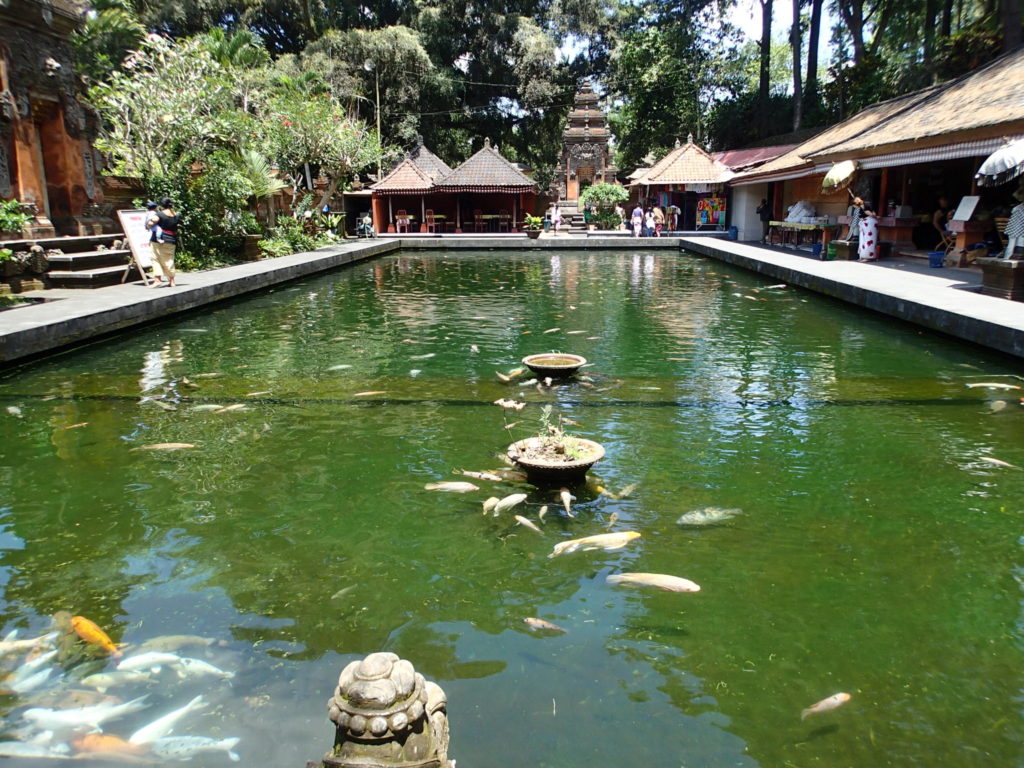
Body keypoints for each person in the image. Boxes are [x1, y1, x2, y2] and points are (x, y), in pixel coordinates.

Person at [147, 197, 181, 287]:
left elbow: (151, 223)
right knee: (169, 260)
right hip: (171, 239)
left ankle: (157, 279)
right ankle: (172, 281)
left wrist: (148, 223)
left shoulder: (159, 214)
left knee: (155, 258)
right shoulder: (176, 215)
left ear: (162, 205)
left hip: (158, 240)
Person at [144, 201, 165, 283]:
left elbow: (147, 222)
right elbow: (153, 221)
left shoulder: (148, 213)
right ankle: (158, 278)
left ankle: (158, 277)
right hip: (155, 230)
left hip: (151, 230)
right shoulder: (154, 214)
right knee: (159, 231)